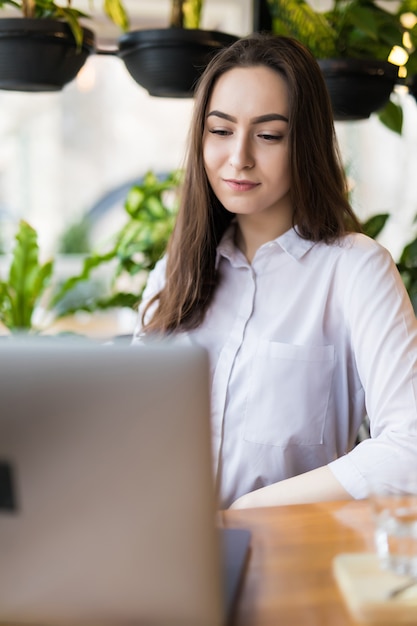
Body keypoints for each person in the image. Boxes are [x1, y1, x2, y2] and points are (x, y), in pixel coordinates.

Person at [133, 33, 417, 510]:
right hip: (161, 547)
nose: (239, 156)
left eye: (268, 135)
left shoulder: (354, 270)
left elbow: (409, 449)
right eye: (220, 130)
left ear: (304, 142)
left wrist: (245, 512)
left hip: (284, 559)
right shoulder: (174, 273)